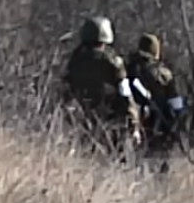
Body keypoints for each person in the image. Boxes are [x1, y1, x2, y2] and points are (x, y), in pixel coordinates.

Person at [59, 16, 143, 155]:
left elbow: (65, 88)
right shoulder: (113, 62)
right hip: (109, 120)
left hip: (79, 119)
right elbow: (125, 94)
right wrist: (134, 125)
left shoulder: (75, 59)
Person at [127, 33, 188, 166]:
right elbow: (176, 103)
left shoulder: (127, 69)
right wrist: (178, 122)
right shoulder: (163, 74)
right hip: (157, 126)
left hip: (131, 122)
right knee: (159, 165)